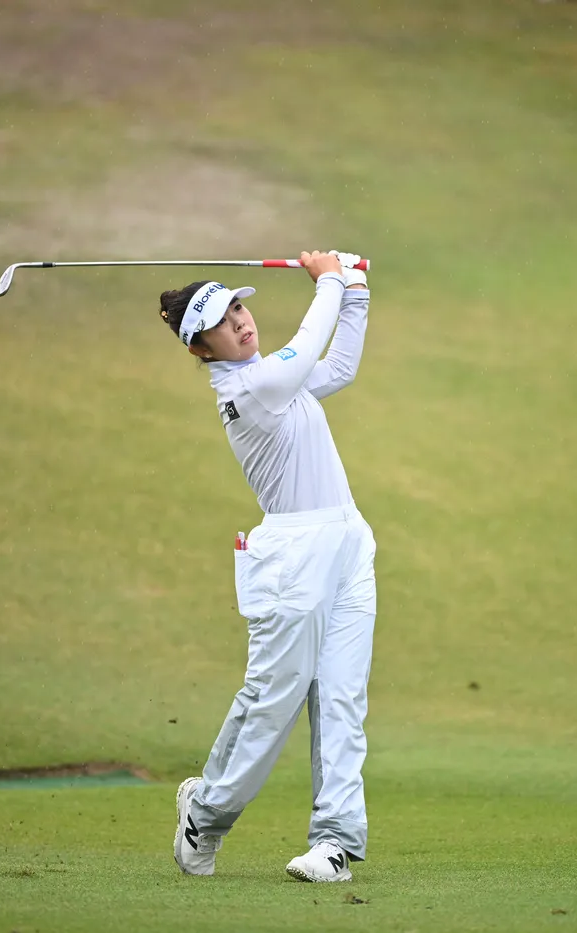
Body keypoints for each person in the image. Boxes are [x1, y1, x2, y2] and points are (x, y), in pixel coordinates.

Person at [157, 249, 377, 883]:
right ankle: (205, 814)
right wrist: (329, 281)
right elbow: (307, 349)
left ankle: (334, 843)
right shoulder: (252, 388)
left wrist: (355, 291)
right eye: (222, 325)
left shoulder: (271, 375)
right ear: (201, 349)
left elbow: (339, 365)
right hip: (293, 558)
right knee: (274, 700)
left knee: (341, 698)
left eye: (238, 309)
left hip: (347, 542)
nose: (240, 323)